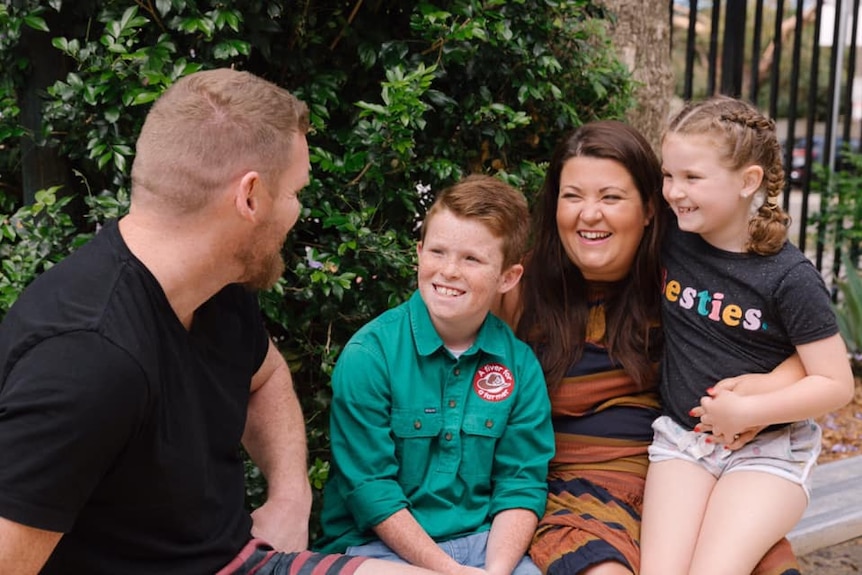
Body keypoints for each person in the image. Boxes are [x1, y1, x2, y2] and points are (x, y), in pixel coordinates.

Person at [0, 68, 442, 575]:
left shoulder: (217, 286)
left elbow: (266, 375)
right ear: (250, 197)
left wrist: (290, 493)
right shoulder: (89, 360)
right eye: (296, 192)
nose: (297, 210)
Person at [495, 119, 806, 575]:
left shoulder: (684, 283)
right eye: (572, 196)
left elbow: (809, 358)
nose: (589, 213)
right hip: (578, 495)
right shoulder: (524, 289)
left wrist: (754, 402)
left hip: (691, 480)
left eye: (610, 197)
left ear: (647, 208)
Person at [639, 96, 855, 575]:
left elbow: (836, 382)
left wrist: (749, 408)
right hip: (682, 442)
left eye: (693, 178)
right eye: (669, 175)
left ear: (748, 181)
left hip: (769, 452)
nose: (674, 191)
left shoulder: (788, 276)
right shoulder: (674, 239)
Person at [314, 175, 556, 575]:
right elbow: (372, 491)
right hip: (378, 549)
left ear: (508, 278)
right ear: (419, 252)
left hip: (487, 547)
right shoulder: (369, 355)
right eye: (438, 252)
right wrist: (448, 570)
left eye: (472, 259)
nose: (449, 271)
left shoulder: (520, 366)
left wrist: (495, 571)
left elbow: (520, 485)